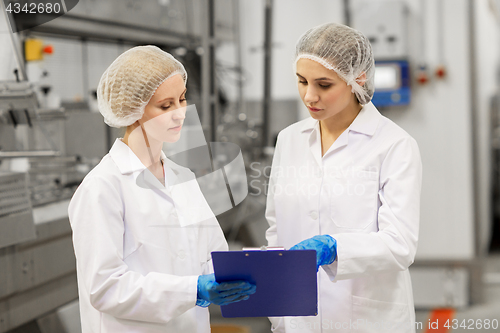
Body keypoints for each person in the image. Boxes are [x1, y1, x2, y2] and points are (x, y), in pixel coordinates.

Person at [68, 46, 255, 333]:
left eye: (182, 99)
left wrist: (258, 269)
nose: (180, 113)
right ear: (132, 110)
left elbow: (213, 254)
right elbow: (105, 287)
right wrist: (193, 290)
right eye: (165, 106)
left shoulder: (182, 177)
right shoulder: (103, 187)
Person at [265, 23, 422, 333]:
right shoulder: (290, 139)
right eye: (302, 81)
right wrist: (279, 311)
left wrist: (335, 248)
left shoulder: (393, 144)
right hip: (299, 319)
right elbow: (276, 229)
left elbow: (400, 244)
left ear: (357, 79)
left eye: (324, 84)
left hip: (366, 319)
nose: (309, 95)